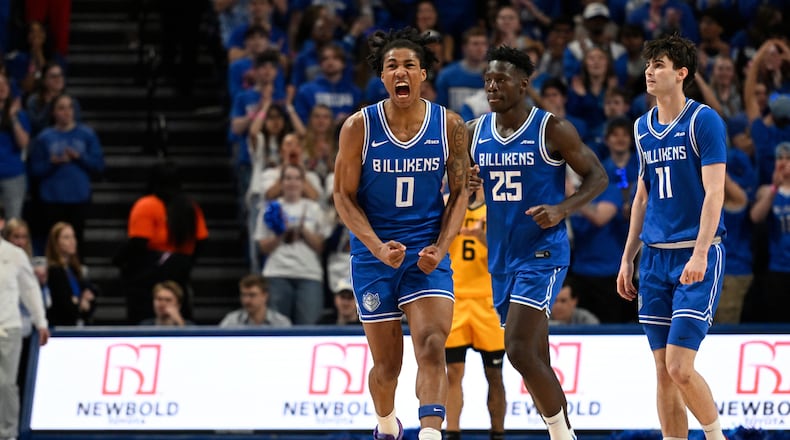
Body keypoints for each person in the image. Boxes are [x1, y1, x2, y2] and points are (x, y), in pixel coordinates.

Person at [333, 27, 470, 440]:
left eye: (410, 64)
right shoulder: (359, 126)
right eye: (392, 66)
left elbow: (461, 192)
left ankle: (430, 434)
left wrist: (441, 247)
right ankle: (387, 424)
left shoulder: (451, 126)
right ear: (383, 77)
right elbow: (342, 195)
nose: (401, 72)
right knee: (387, 367)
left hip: (427, 251)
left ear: (423, 74)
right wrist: (375, 246)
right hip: (374, 256)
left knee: (431, 345)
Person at [469, 45, 607, 440]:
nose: (492, 86)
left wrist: (563, 208)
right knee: (535, 356)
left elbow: (597, 176)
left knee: (516, 349)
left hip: (542, 252)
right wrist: (469, 184)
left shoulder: (551, 128)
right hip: (500, 255)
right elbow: (464, 187)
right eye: (488, 80)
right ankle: (563, 432)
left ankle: (563, 436)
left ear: (524, 84)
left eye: (501, 79)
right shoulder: (475, 131)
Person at [616, 34, 728, 440]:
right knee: (663, 373)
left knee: (680, 367)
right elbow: (641, 197)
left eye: (659, 64)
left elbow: (715, 193)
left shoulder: (704, 121)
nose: (649, 70)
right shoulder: (641, 127)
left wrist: (700, 254)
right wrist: (628, 257)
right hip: (655, 258)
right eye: (648, 64)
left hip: (694, 255)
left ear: (681, 73)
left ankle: (717, 436)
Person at [443, 186, 505, 440]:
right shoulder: (446, 204)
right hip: (455, 298)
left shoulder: (496, 208)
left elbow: (506, 256)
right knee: (453, 373)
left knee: (494, 373)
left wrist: (483, 239)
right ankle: (452, 433)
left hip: (487, 301)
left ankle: (498, 434)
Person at [112, 162, 209, 324]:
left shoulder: (146, 205)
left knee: (144, 316)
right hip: (180, 268)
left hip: (148, 270)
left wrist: (118, 260)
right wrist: (185, 262)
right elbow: (202, 240)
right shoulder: (190, 206)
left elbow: (139, 241)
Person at [0, 204, 49, 440]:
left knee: (6, 384)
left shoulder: (15, 255)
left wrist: (41, 322)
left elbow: (30, 290)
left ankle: (7, 434)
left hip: (8, 327)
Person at [44, 221, 97, 326]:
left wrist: (81, 301)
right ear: (56, 242)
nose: (72, 241)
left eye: (73, 237)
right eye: (66, 238)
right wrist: (80, 303)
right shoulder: (54, 271)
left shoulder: (75, 269)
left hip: (78, 325)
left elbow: (92, 296)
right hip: (60, 327)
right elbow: (64, 306)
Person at [219, 274, 291, 327]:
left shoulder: (281, 323)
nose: (247, 300)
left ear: (265, 296)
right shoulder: (231, 322)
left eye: (252, 295)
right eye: (244, 295)